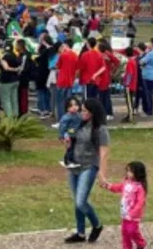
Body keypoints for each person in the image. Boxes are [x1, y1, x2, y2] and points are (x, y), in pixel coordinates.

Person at [64, 99, 109, 244]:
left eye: (84, 110)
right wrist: (68, 144)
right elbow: (74, 142)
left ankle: (97, 224)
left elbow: (104, 153)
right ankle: (80, 232)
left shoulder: (100, 129)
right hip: (74, 165)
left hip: (88, 166)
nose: (81, 112)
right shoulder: (79, 123)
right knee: (77, 200)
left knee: (81, 201)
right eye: (81, 110)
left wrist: (102, 174)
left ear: (93, 112)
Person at [101, 161, 148, 249]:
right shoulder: (126, 182)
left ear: (138, 173)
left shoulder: (139, 187)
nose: (127, 173)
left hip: (133, 216)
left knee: (131, 231)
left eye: (130, 171)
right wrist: (108, 186)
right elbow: (118, 187)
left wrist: (133, 213)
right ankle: (130, 246)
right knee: (125, 232)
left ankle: (141, 244)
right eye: (127, 170)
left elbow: (140, 202)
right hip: (125, 213)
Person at [0, 39, 23, 117]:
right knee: (14, 100)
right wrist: (17, 69)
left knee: (6, 100)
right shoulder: (15, 56)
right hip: (15, 80)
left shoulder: (5, 57)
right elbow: (20, 68)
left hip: (6, 81)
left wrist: (1, 61)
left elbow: (6, 68)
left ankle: (9, 118)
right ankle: (15, 116)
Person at [54, 42, 79, 119]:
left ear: (66, 46)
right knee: (68, 101)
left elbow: (57, 66)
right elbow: (77, 69)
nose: (61, 49)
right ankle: (69, 117)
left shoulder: (62, 55)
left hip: (62, 81)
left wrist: (60, 54)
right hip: (70, 81)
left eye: (62, 47)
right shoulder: (75, 55)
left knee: (60, 101)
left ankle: (61, 118)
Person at [58, 96, 83, 168]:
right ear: (67, 108)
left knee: (75, 148)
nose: (74, 107)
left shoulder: (78, 115)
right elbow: (62, 127)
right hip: (69, 135)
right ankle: (67, 160)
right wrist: (63, 136)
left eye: (76, 105)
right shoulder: (66, 117)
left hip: (76, 135)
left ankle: (73, 160)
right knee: (70, 148)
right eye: (71, 106)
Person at [138, 41, 153, 116]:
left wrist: (142, 63)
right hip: (152, 75)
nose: (147, 44)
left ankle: (148, 111)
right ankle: (149, 110)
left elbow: (141, 62)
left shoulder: (150, 54)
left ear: (152, 45)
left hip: (148, 75)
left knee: (148, 95)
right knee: (149, 93)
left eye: (149, 43)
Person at [121, 46, 140, 124]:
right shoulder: (133, 61)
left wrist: (127, 84)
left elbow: (130, 74)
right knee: (130, 101)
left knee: (129, 101)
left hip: (130, 85)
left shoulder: (130, 62)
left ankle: (130, 116)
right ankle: (129, 114)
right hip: (133, 84)